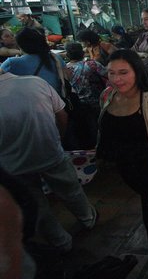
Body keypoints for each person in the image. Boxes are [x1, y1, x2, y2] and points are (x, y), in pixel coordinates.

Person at [97, 50, 148, 279]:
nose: (117, 79)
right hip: (125, 168)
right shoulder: (107, 96)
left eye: (124, 72)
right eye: (111, 73)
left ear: (137, 72)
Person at [0, 71, 98, 254]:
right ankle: (88, 219)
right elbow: (62, 115)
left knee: (37, 204)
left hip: (13, 165)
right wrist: (57, 139)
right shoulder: (35, 82)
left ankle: (61, 242)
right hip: (49, 152)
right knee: (71, 189)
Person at [65, 42, 107, 149]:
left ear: (67, 55)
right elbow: (107, 74)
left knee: (84, 130)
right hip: (95, 101)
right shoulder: (92, 65)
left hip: (76, 105)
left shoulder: (65, 69)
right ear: (83, 52)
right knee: (99, 127)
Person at [0, 28, 65, 93]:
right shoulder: (56, 58)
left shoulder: (12, 63)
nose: (11, 37)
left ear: (19, 45)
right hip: (58, 101)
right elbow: (67, 79)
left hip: (30, 101)